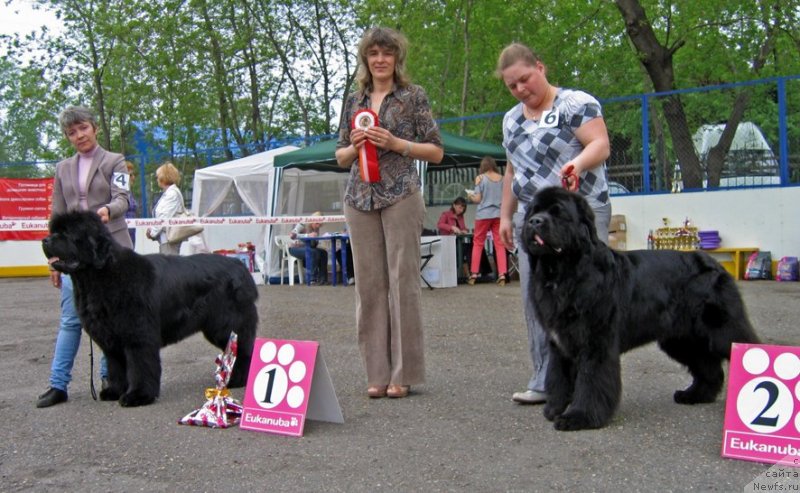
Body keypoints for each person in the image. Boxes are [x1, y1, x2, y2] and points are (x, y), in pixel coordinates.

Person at [496, 43, 612, 405]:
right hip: (532, 219)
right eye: (511, 85)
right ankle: (545, 380)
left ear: (541, 67)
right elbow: (512, 169)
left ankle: (591, 382)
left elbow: (600, 144)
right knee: (540, 299)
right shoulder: (511, 119)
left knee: (588, 296)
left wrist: (575, 165)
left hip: (577, 214)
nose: (520, 90)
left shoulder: (576, 104)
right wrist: (504, 215)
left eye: (525, 79)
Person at [334, 26, 443, 399]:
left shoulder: (413, 97)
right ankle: (376, 373)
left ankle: (404, 373)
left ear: (397, 58)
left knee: (403, 284)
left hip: (401, 195)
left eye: (387, 53)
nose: (380, 60)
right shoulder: (353, 101)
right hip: (358, 199)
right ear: (366, 59)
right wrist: (355, 146)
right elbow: (340, 155)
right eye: (373, 53)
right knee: (368, 287)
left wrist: (398, 144)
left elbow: (436, 150)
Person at [37, 105, 133, 408]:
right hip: (73, 257)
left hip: (110, 251)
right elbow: (57, 213)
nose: (79, 135)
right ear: (68, 137)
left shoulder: (115, 160)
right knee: (70, 320)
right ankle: (58, 384)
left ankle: (111, 378)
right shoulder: (63, 167)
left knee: (112, 318)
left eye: (83, 128)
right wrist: (53, 259)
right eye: (72, 132)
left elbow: (123, 199)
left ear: (94, 127)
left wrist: (107, 211)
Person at [467, 156, 507, 286]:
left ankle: (473, 274)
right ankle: (502, 274)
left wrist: (470, 196)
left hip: (483, 215)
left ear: (483, 166)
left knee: (478, 243)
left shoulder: (480, 178)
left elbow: (478, 199)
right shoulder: (502, 178)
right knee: (499, 244)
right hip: (498, 214)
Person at [146, 162, 185, 255]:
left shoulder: (172, 194)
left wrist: (152, 232)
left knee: (170, 268)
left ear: (164, 177)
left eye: (157, 176)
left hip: (169, 240)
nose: (157, 179)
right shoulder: (169, 193)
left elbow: (164, 217)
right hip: (166, 239)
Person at [288, 211, 329, 285]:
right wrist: (307, 235)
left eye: (320, 224)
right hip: (294, 248)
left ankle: (323, 278)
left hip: (308, 248)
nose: (318, 226)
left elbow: (313, 244)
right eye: (317, 223)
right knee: (313, 252)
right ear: (312, 220)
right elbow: (292, 235)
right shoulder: (303, 224)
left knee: (323, 253)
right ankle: (312, 279)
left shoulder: (316, 228)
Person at [125, 161, 138, 245]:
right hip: (124, 234)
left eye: (133, 175)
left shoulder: (129, 193)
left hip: (131, 233)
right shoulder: (118, 194)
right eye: (130, 175)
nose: (133, 177)